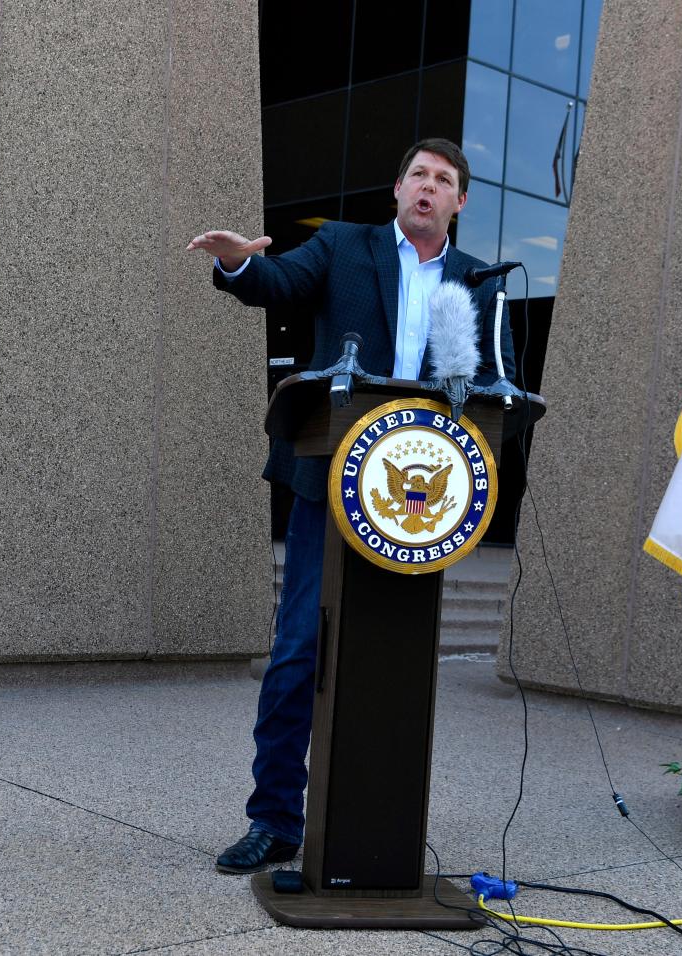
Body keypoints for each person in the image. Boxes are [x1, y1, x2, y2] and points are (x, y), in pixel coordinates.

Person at [187, 138, 516, 874]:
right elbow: (274, 282)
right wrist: (239, 262)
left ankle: (375, 825)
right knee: (300, 651)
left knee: (390, 664)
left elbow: (502, 383)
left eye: (445, 181)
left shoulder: (480, 282)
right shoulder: (341, 246)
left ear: (460, 202)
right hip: (331, 485)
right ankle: (275, 819)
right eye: (419, 176)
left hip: (420, 504)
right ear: (397, 189)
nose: (429, 188)